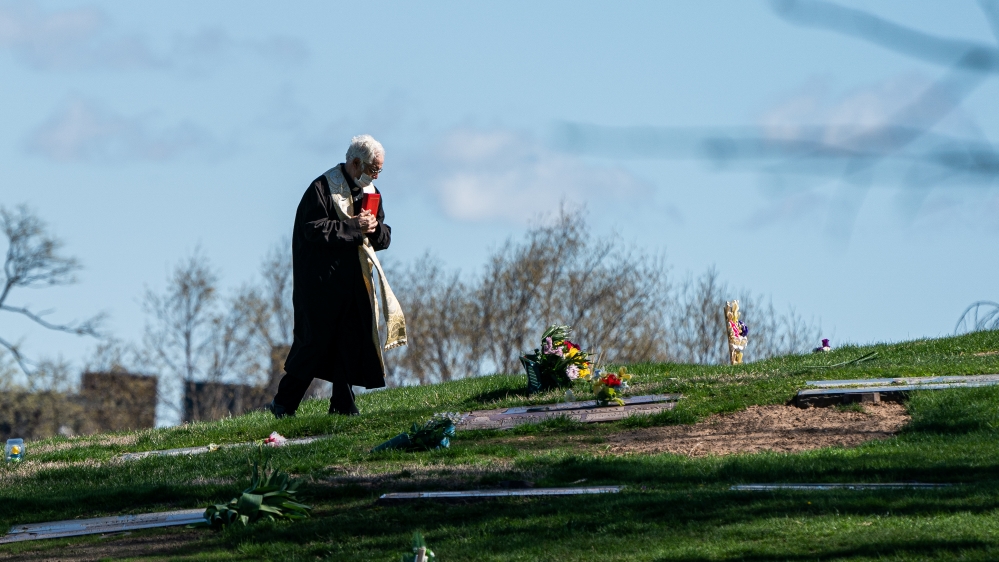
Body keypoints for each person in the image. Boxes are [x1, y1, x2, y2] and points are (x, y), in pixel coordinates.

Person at [268, 135, 407, 417]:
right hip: (321, 285)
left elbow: (383, 237)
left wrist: (373, 230)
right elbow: (312, 229)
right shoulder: (322, 188)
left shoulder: (370, 193)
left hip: (355, 282)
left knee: (350, 340)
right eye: (373, 168)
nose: (377, 175)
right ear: (356, 163)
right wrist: (354, 226)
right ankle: (284, 403)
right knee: (314, 344)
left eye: (379, 170)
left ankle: (342, 404)